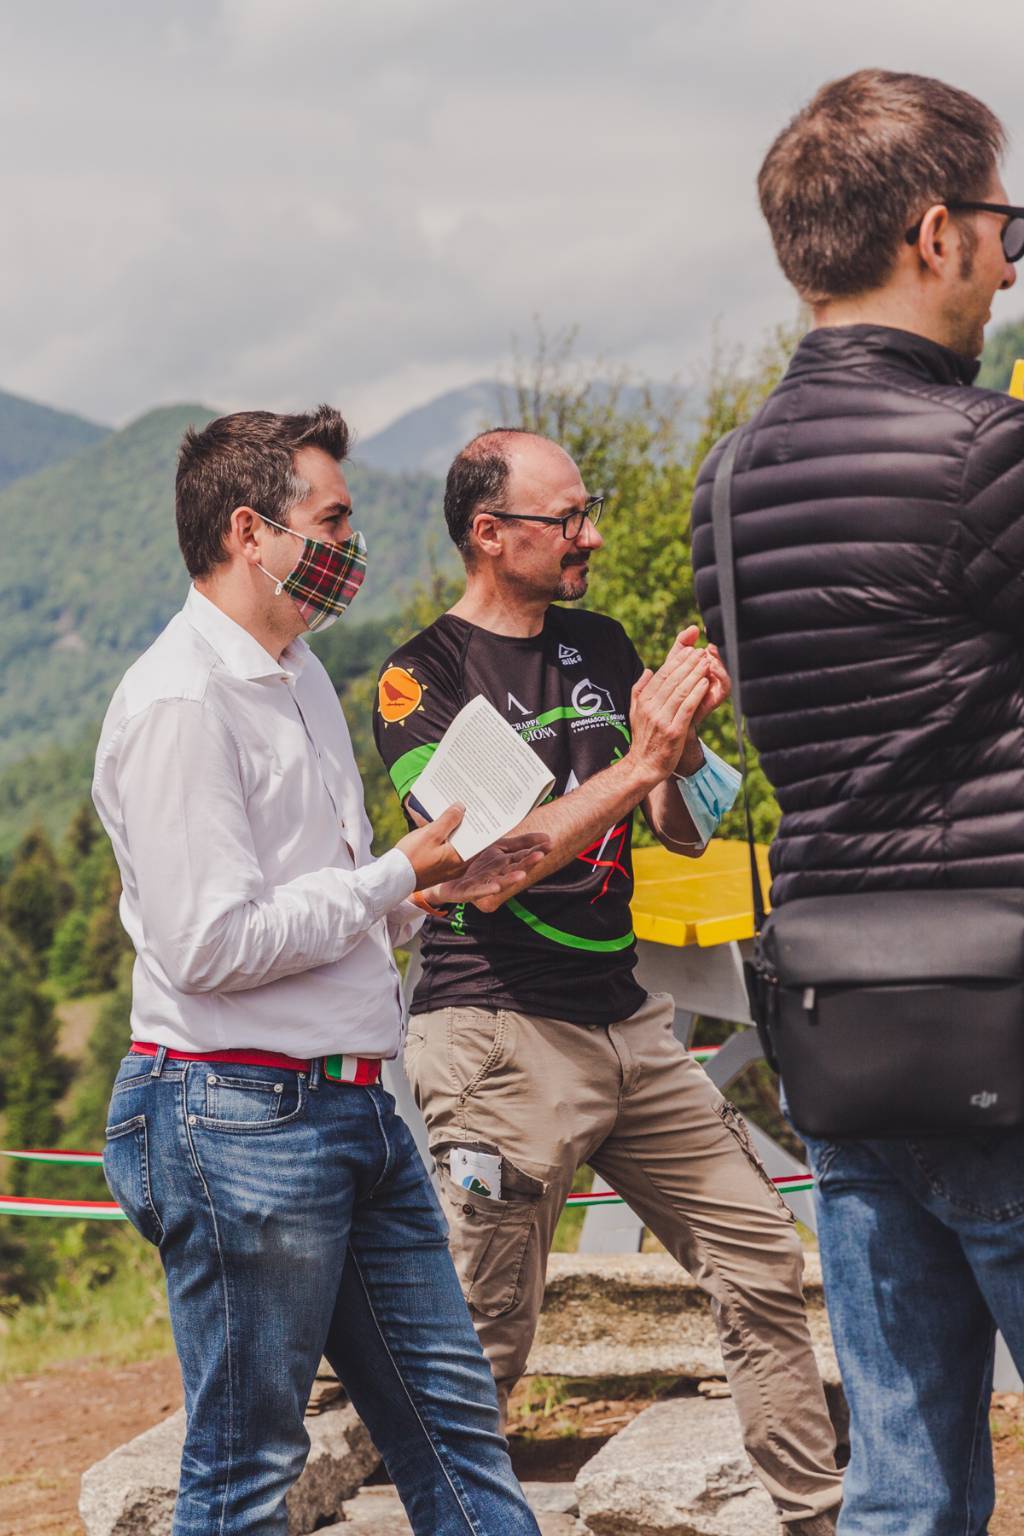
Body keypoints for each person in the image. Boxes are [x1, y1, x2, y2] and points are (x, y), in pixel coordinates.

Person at [373, 427, 844, 1536]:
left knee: (762, 1257)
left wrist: (677, 748)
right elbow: (486, 872)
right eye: (565, 519)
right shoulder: (420, 679)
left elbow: (681, 829)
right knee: (486, 1333)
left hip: (627, 1023)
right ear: (490, 535)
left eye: (588, 511)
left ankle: (815, 1515)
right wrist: (638, 758)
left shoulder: (599, 640)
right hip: (494, 1032)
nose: (589, 535)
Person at [92, 406, 550, 1536]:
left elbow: (324, 898)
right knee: (246, 1476)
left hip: (353, 1103)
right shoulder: (180, 702)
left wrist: (423, 889)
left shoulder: (293, 672)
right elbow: (208, 943)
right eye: (332, 518)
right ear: (250, 531)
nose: (353, 542)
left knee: (458, 1439)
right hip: (238, 1115)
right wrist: (396, 874)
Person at [691, 69, 1024, 1536]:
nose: (1012, 260)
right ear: (938, 229)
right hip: (1008, 1026)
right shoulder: (984, 455)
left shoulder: (727, 477)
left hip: (842, 1033)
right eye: (1009, 224)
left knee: (903, 1486)